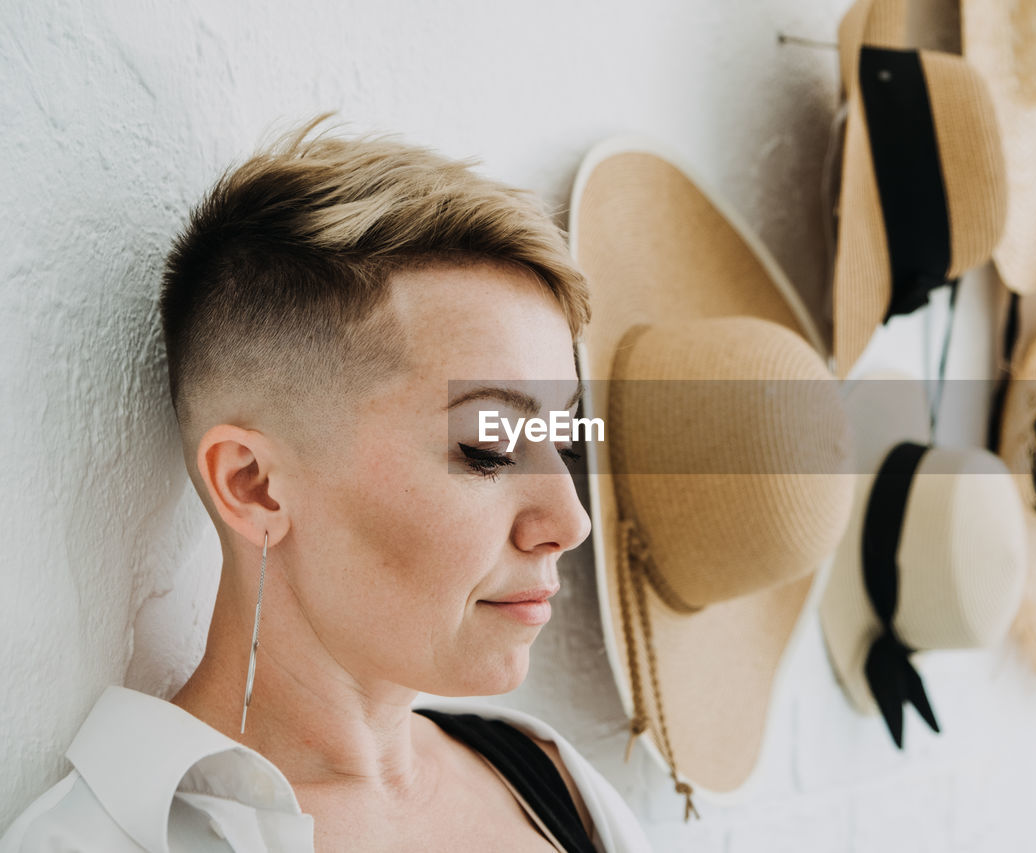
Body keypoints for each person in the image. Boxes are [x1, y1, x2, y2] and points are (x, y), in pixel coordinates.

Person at [0, 117, 651, 852]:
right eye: (487, 445)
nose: (569, 520)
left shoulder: (553, 784)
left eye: (560, 437)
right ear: (254, 486)